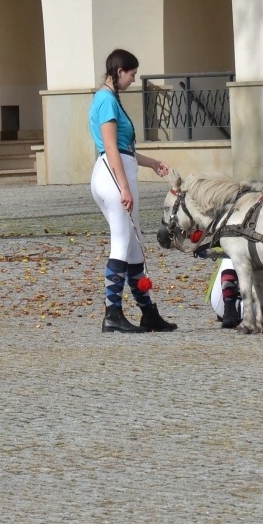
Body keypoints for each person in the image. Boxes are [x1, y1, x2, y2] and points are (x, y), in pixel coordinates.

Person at [88, 48, 176, 334]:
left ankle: (148, 312)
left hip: (116, 171)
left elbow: (125, 149)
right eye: (132, 74)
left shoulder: (109, 98)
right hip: (114, 176)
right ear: (119, 71)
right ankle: (112, 313)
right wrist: (124, 186)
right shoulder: (106, 100)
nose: (133, 80)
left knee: (134, 247)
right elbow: (111, 147)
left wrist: (150, 163)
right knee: (122, 242)